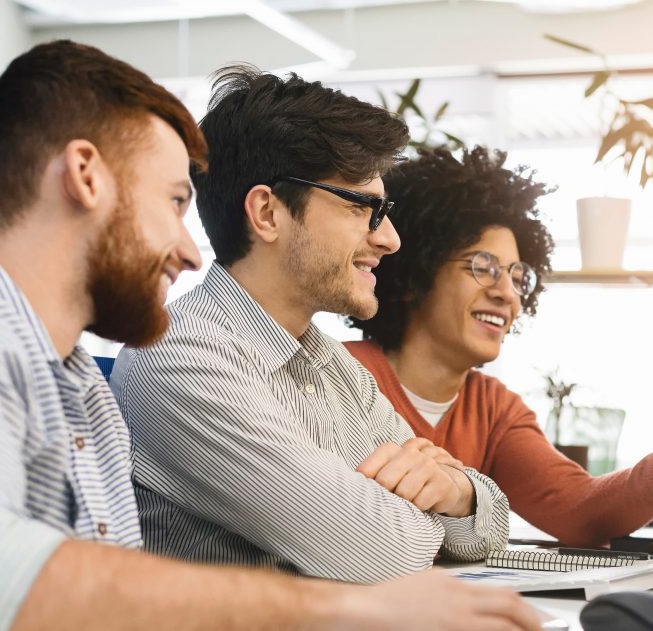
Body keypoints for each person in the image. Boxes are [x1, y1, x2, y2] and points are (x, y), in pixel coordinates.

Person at [0, 41, 539, 631]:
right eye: (172, 202)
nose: (191, 253)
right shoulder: (120, 353)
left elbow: (475, 526)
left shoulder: (78, 379)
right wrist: (354, 599)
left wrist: (451, 491)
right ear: (84, 176)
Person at [111, 66, 511, 583]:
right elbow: (377, 552)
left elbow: (490, 521)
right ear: (268, 213)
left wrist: (456, 490)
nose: (389, 238)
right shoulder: (179, 360)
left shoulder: (331, 363)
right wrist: (424, 510)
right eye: (361, 207)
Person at [345, 147, 653, 548]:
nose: (507, 293)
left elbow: (581, 511)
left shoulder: (494, 409)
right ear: (416, 273)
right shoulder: (336, 371)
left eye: (518, 275)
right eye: (483, 268)